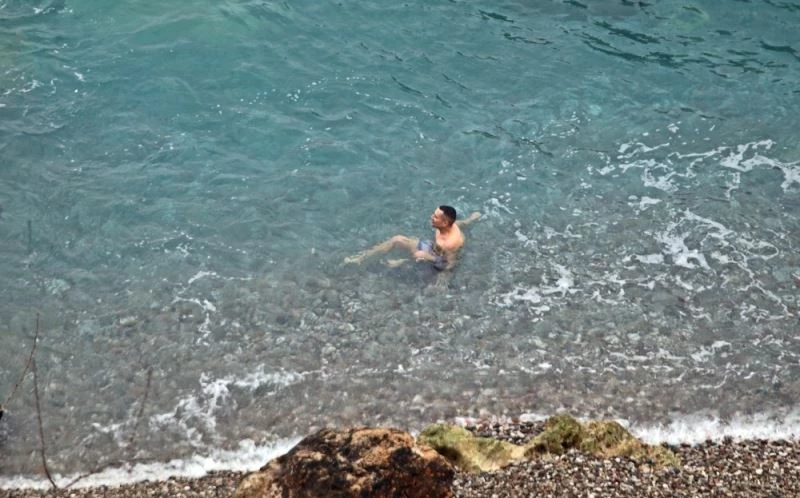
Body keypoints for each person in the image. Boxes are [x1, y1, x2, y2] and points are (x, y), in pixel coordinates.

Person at [344, 205, 481, 273]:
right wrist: (472, 218)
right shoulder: (453, 224)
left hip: (440, 260)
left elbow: (449, 265)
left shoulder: (450, 243)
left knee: (419, 257)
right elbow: (462, 223)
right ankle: (361, 258)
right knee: (397, 239)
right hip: (433, 248)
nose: (431, 217)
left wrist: (428, 257)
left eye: (435, 217)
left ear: (444, 223)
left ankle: (402, 262)